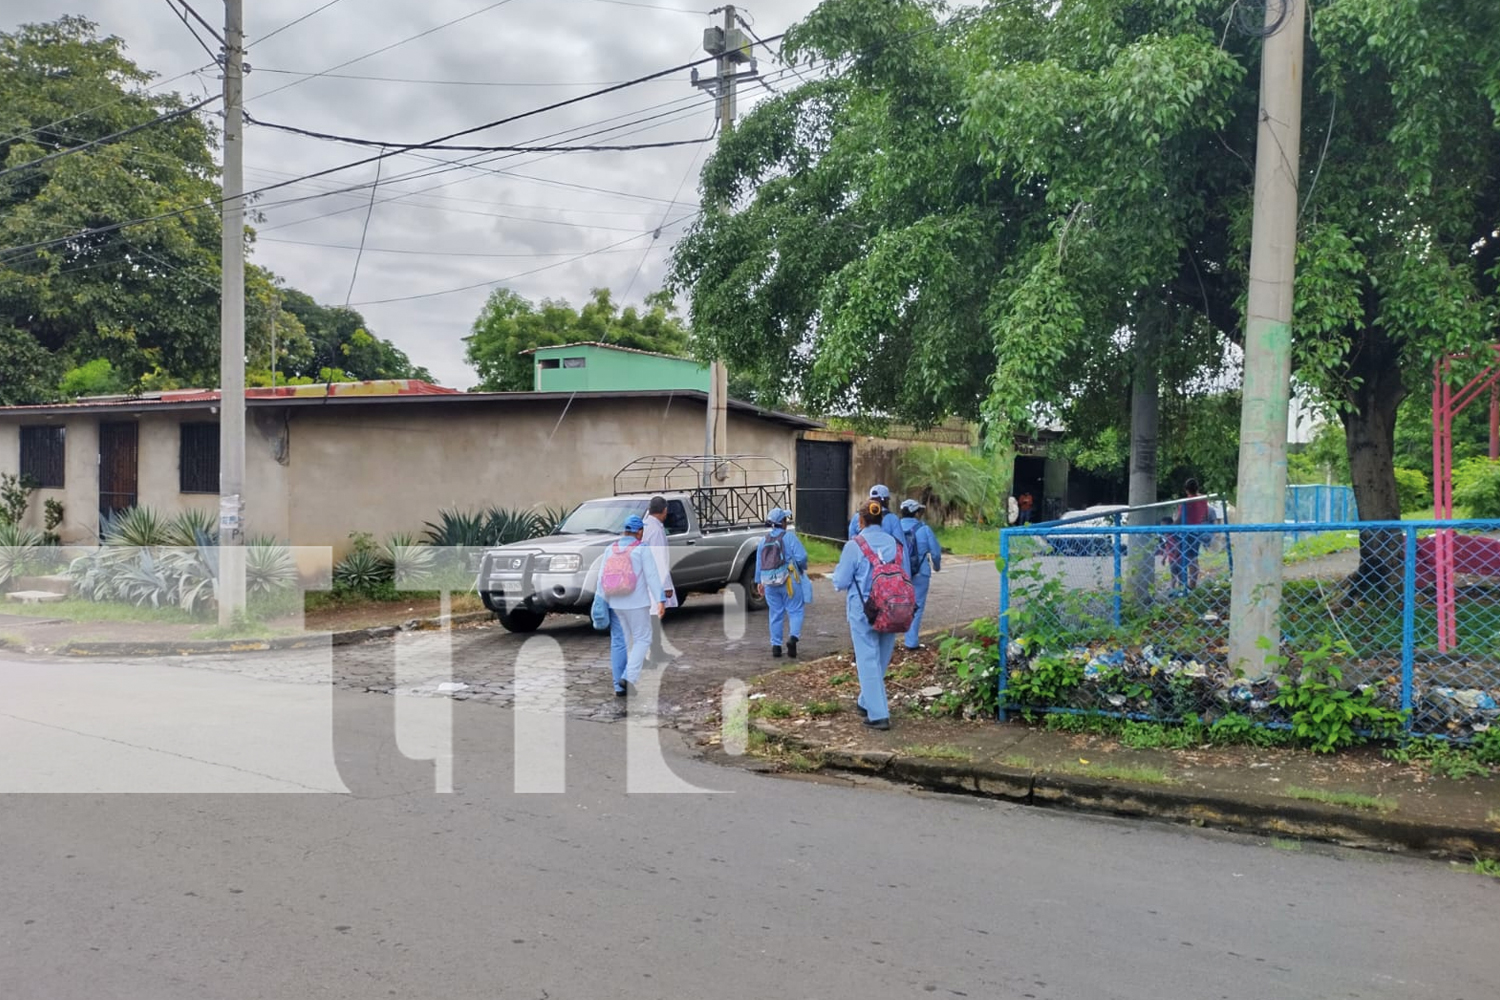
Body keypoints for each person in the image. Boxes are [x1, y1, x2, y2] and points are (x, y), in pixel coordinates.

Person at [832, 500, 909, 731]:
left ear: (861, 520)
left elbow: (841, 581)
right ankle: (866, 701)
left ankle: (878, 714)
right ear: (882, 520)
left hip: (864, 611)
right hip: (893, 607)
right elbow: (905, 575)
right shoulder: (896, 545)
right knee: (881, 658)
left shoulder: (854, 546)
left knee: (867, 659)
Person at [589, 515, 665, 697]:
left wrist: (600, 601)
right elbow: (652, 576)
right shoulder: (641, 549)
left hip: (614, 602)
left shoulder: (610, 549)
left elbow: (601, 578)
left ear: (624, 530)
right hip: (637, 603)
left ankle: (618, 686)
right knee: (642, 639)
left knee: (618, 642)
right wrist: (660, 600)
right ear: (639, 532)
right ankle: (629, 677)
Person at [755, 507, 809, 659]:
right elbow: (802, 557)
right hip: (789, 579)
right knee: (795, 610)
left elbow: (759, 563)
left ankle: (776, 646)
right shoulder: (789, 537)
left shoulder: (763, 541)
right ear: (783, 522)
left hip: (769, 582)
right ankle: (793, 638)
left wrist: (759, 582)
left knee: (775, 613)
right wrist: (802, 568)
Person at [897, 499, 942, 650]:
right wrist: (936, 566)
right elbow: (935, 552)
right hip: (921, 573)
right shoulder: (924, 529)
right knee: (917, 606)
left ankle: (887, 642)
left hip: (900, 573)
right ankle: (911, 642)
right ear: (916, 513)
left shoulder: (894, 529)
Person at [641, 495, 677, 666]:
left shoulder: (645, 525)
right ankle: (653, 652)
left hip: (643, 579)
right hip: (653, 580)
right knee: (654, 617)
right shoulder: (655, 530)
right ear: (664, 511)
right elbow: (659, 560)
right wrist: (666, 586)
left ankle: (654, 651)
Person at [1178, 478, 1211, 592]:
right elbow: (1205, 515)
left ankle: (1188, 585)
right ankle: (1192, 583)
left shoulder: (1186, 502)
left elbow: (1180, 518)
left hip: (1188, 531)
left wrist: (1171, 526)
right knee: (1193, 558)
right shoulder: (1203, 498)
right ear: (1197, 487)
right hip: (1198, 529)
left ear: (1186, 490)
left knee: (1186, 558)